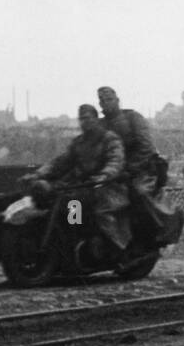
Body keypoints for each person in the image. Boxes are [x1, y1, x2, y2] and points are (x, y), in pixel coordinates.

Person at [35, 104, 131, 257]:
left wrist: (105, 175)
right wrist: (40, 173)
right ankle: (75, 240)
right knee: (63, 202)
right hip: (84, 186)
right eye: (81, 119)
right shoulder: (79, 142)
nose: (83, 122)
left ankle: (118, 249)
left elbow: (115, 161)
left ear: (96, 119)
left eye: (87, 118)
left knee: (97, 211)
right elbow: (61, 162)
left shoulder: (109, 138)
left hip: (109, 187)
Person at [98, 85, 172, 236]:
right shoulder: (100, 125)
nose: (106, 103)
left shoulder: (132, 118)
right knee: (79, 200)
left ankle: (155, 232)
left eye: (109, 99)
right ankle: (76, 228)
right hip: (110, 174)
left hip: (140, 170)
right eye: (103, 100)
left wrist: (129, 169)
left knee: (139, 194)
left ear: (117, 100)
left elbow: (146, 147)